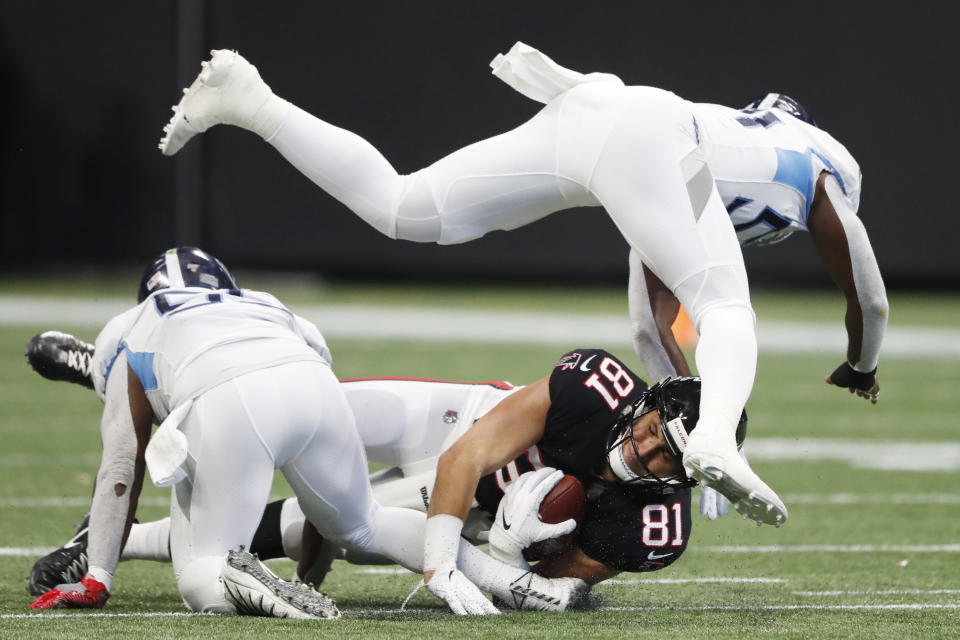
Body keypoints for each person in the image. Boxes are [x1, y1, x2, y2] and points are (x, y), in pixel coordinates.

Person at [158, 44, 790, 539]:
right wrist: (860, 360)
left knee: (405, 207)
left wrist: (686, 403)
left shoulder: (742, 141)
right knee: (726, 306)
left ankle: (251, 102)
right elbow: (866, 290)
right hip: (648, 135)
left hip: (598, 111)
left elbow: (646, 309)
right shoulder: (819, 161)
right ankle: (711, 437)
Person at [23, 253, 587, 617]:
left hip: (224, 400)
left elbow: (123, 461)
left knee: (200, 582)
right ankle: (515, 586)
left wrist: (98, 577)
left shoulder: (134, 324)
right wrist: (312, 568)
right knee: (366, 522)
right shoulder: (266, 304)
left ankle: (241, 576)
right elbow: (309, 402)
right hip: (314, 388)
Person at [27, 330, 742, 607]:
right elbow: (470, 452)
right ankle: (117, 373)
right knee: (289, 405)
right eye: (652, 433)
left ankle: (103, 539)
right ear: (643, 405)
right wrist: (438, 562)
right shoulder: (596, 389)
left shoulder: (655, 527)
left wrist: (519, 547)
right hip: (464, 424)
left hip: (487, 510)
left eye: (665, 459)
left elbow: (559, 582)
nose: (646, 453)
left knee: (327, 522)